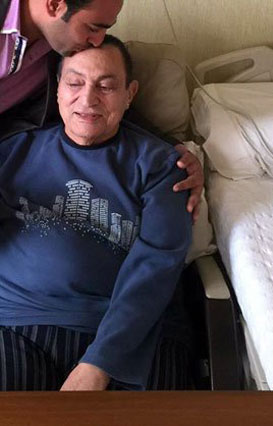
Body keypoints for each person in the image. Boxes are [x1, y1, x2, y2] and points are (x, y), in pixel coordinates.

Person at [0, 35, 192, 391]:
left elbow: (158, 264)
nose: (88, 99)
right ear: (57, 89)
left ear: (130, 94)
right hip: (14, 323)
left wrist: (102, 361)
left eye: (106, 86)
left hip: (132, 333)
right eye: (74, 83)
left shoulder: (161, 165)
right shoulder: (12, 151)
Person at [0, 0, 203, 221]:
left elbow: (104, 104)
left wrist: (176, 150)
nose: (98, 41)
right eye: (93, 28)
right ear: (55, 4)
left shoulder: (62, 48)